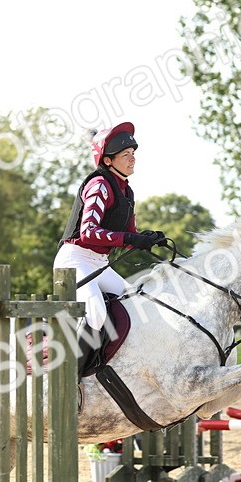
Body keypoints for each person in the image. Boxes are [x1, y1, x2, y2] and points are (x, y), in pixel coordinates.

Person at [54, 122, 166, 334]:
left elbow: (129, 235)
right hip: (75, 262)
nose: (133, 159)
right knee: (96, 314)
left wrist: (148, 238)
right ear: (108, 160)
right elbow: (88, 232)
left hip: (100, 263)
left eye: (133, 153)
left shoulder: (127, 192)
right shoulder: (99, 185)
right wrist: (131, 239)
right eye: (125, 155)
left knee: (136, 306)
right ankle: (70, 356)